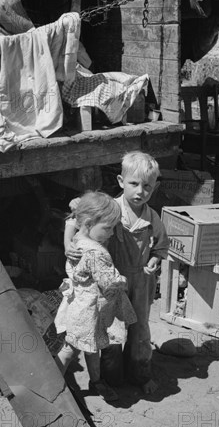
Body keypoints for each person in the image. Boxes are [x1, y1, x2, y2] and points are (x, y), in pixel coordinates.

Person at [65, 152, 169, 394]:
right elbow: (74, 218)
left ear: (155, 187)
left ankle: (140, 374)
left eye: (147, 186)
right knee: (112, 329)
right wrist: (69, 243)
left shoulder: (153, 218)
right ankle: (112, 377)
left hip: (141, 281)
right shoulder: (109, 209)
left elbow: (161, 246)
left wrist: (154, 259)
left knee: (139, 328)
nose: (140, 191)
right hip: (110, 280)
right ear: (121, 181)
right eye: (134, 184)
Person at [54, 191, 137, 403]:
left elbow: (73, 220)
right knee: (70, 348)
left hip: (80, 304)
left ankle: (96, 380)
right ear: (90, 223)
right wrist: (124, 281)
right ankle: (51, 387)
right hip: (87, 309)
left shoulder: (77, 240)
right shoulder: (94, 252)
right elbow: (109, 282)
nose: (111, 233)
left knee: (92, 347)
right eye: (108, 228)